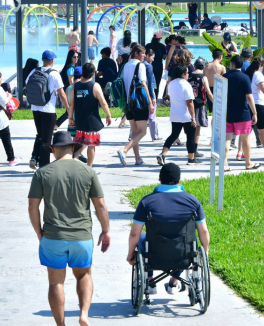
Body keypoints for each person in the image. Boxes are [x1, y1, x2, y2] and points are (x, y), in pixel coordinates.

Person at [28, 131, 110, 326]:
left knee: (56, 282)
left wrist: (38, 231)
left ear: (53, 149)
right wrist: (105, 231)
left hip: (53, 236)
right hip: (81, 236)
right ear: (73, 148)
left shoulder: (42, 173)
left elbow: (33, 206)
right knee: (84, 275)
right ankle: (83, 314)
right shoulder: (88, 171)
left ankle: (61, 324)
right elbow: (100, 206)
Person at [127, 163, 209, 295]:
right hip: (183, 254)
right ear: (179, 181)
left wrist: (131, 253)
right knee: (186, 242)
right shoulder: (192, 201)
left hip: (154, 253)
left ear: (159, 179)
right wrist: (205, 253)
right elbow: (203, 231)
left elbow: (135, 233)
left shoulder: (147, 202)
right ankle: (174, 281)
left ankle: (150, 281)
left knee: (143, 237)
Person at [27, 50, 70, 169]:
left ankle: (35, 157)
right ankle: (44, 165)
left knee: (40, 135)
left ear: (42, 60)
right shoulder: (54, 73)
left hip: (35, 108)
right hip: (48, 110)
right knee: (46, 139)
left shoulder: (34, 71)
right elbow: (61, 93)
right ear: (52, 60)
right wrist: (68, 109)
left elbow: (28, 85)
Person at [68, 63, 112, 167]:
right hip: (92, 121)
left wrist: (70, 118)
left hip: (79, 120)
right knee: (91, 145)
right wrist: (108, 115)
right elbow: (103, 102)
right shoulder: (94, 86)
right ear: (93, 73)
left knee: (81, 143)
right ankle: (89, 167)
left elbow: (71, 104)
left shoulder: (75, 86)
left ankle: (75, 159)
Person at [117, 44, 154, 166]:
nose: (144, 56)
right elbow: (144, 84)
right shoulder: (140, 65)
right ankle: (124, 150)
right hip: (139, 103)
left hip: (128, 103)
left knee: (134, 131)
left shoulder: (126, 66)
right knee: (142, 132)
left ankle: (138, 158)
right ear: (136, 54)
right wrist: (150, 102)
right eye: (142, 53)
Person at [156, 65, 200, 165]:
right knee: (190, 136)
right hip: (186, 115)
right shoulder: (186, 85)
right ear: (183, 74)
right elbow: (189, 103)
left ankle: (163, 154)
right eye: (187, 72)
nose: (188, 74)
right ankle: (191, 158)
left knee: (173, 135)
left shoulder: (171, 84)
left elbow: (171, 97)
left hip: (175, 114)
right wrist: (193, 117)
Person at [224, 55, 260, 171]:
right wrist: (254, 112)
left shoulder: (224, 77)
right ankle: (248, 163)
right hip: (243, 114)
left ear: (232, 65)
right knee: (246, 139)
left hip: (227, 113)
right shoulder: (245, 78)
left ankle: (224, 164)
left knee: (227, 139)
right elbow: (249, 97)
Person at [244, 57, 264, 159]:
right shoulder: (258, 74)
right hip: (259, 104)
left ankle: (241, 153)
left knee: (246, 131)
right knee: (262, 131)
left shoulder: (247, 74)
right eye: (263, 66)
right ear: (260, 65)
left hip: (248, 104)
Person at [189, 58, 213, 157]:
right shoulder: (203, 77)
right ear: (203, 67)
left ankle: (190, 148)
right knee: (198, 127)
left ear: (194, 66)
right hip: (200, 104)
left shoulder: (189, 76)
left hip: (189, 103)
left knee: (190, 127)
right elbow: (208, 92)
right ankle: (194, 149)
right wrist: (215, 101)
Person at [56, 50, 80, 129]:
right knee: (69, 111)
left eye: (77, 57)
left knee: (69, 111)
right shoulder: (70, 68)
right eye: (74, 57)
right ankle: (56, 125)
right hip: (70, 91)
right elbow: (71, 81)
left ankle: (56, 125)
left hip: (68, 90)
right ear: (70, 57)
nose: (76, 58)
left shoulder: (70, 66)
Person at [143, 48, 161, 141]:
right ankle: (155, 135)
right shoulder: (148, 67)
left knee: (139, 115)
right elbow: (149, 83)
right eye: (152, 57)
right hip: (149, 91)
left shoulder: (140, 65)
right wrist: (153, 97)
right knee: (152, 115)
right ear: (147, 56)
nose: (153, 60)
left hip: (141, 92)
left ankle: (132, 134)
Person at [203, 49, 226, 114]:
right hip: (218, 90)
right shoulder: (221, 67)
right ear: (221, 56)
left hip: (208, 90)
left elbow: (203, 78)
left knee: (211, 111)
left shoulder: (206, 66)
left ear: (212, 56)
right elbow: (224, 81)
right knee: (219, 112)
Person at [145, 32, 167, 99]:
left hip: (148, 66)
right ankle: (155, 98)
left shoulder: (148, 45)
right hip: (158, 67)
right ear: (160, 38)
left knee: (148, 83)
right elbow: (164, 57)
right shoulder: (162, 46)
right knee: (157, 84)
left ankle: (148, 98)